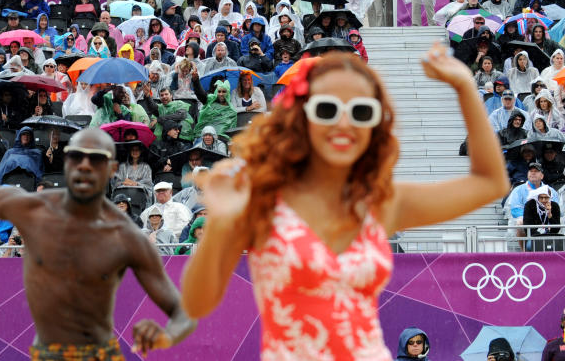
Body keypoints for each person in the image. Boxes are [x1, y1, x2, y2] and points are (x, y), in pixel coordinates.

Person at [181, 47, 507, 361]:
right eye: (327, 109)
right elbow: (196, 304)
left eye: (362, 112)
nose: (344, 123)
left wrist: (465, 86)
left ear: (375, 126)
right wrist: (221, 224)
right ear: (301, 117)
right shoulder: (263, 199)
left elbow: (490, 184)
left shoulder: (380, 201)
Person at [0, 128, 196, 358]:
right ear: (66, 163)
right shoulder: (33, 209)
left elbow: (183, 313)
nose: (84, 165)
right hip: (47, 352)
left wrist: (165, 336)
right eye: (76, 157)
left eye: (95, 159)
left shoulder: (125, 235)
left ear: (112, 169)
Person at [522, 184, 562, 251]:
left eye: (546, 197)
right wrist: (540, 236)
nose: (543, 200)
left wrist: (549, 214)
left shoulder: (554, 206)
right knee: (529, 246)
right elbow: (527, 225)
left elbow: (556, 229)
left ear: (550, 197)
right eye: (541, 197)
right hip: (535, 236)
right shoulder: (530, 204)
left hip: (550, 236)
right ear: (537, 197)